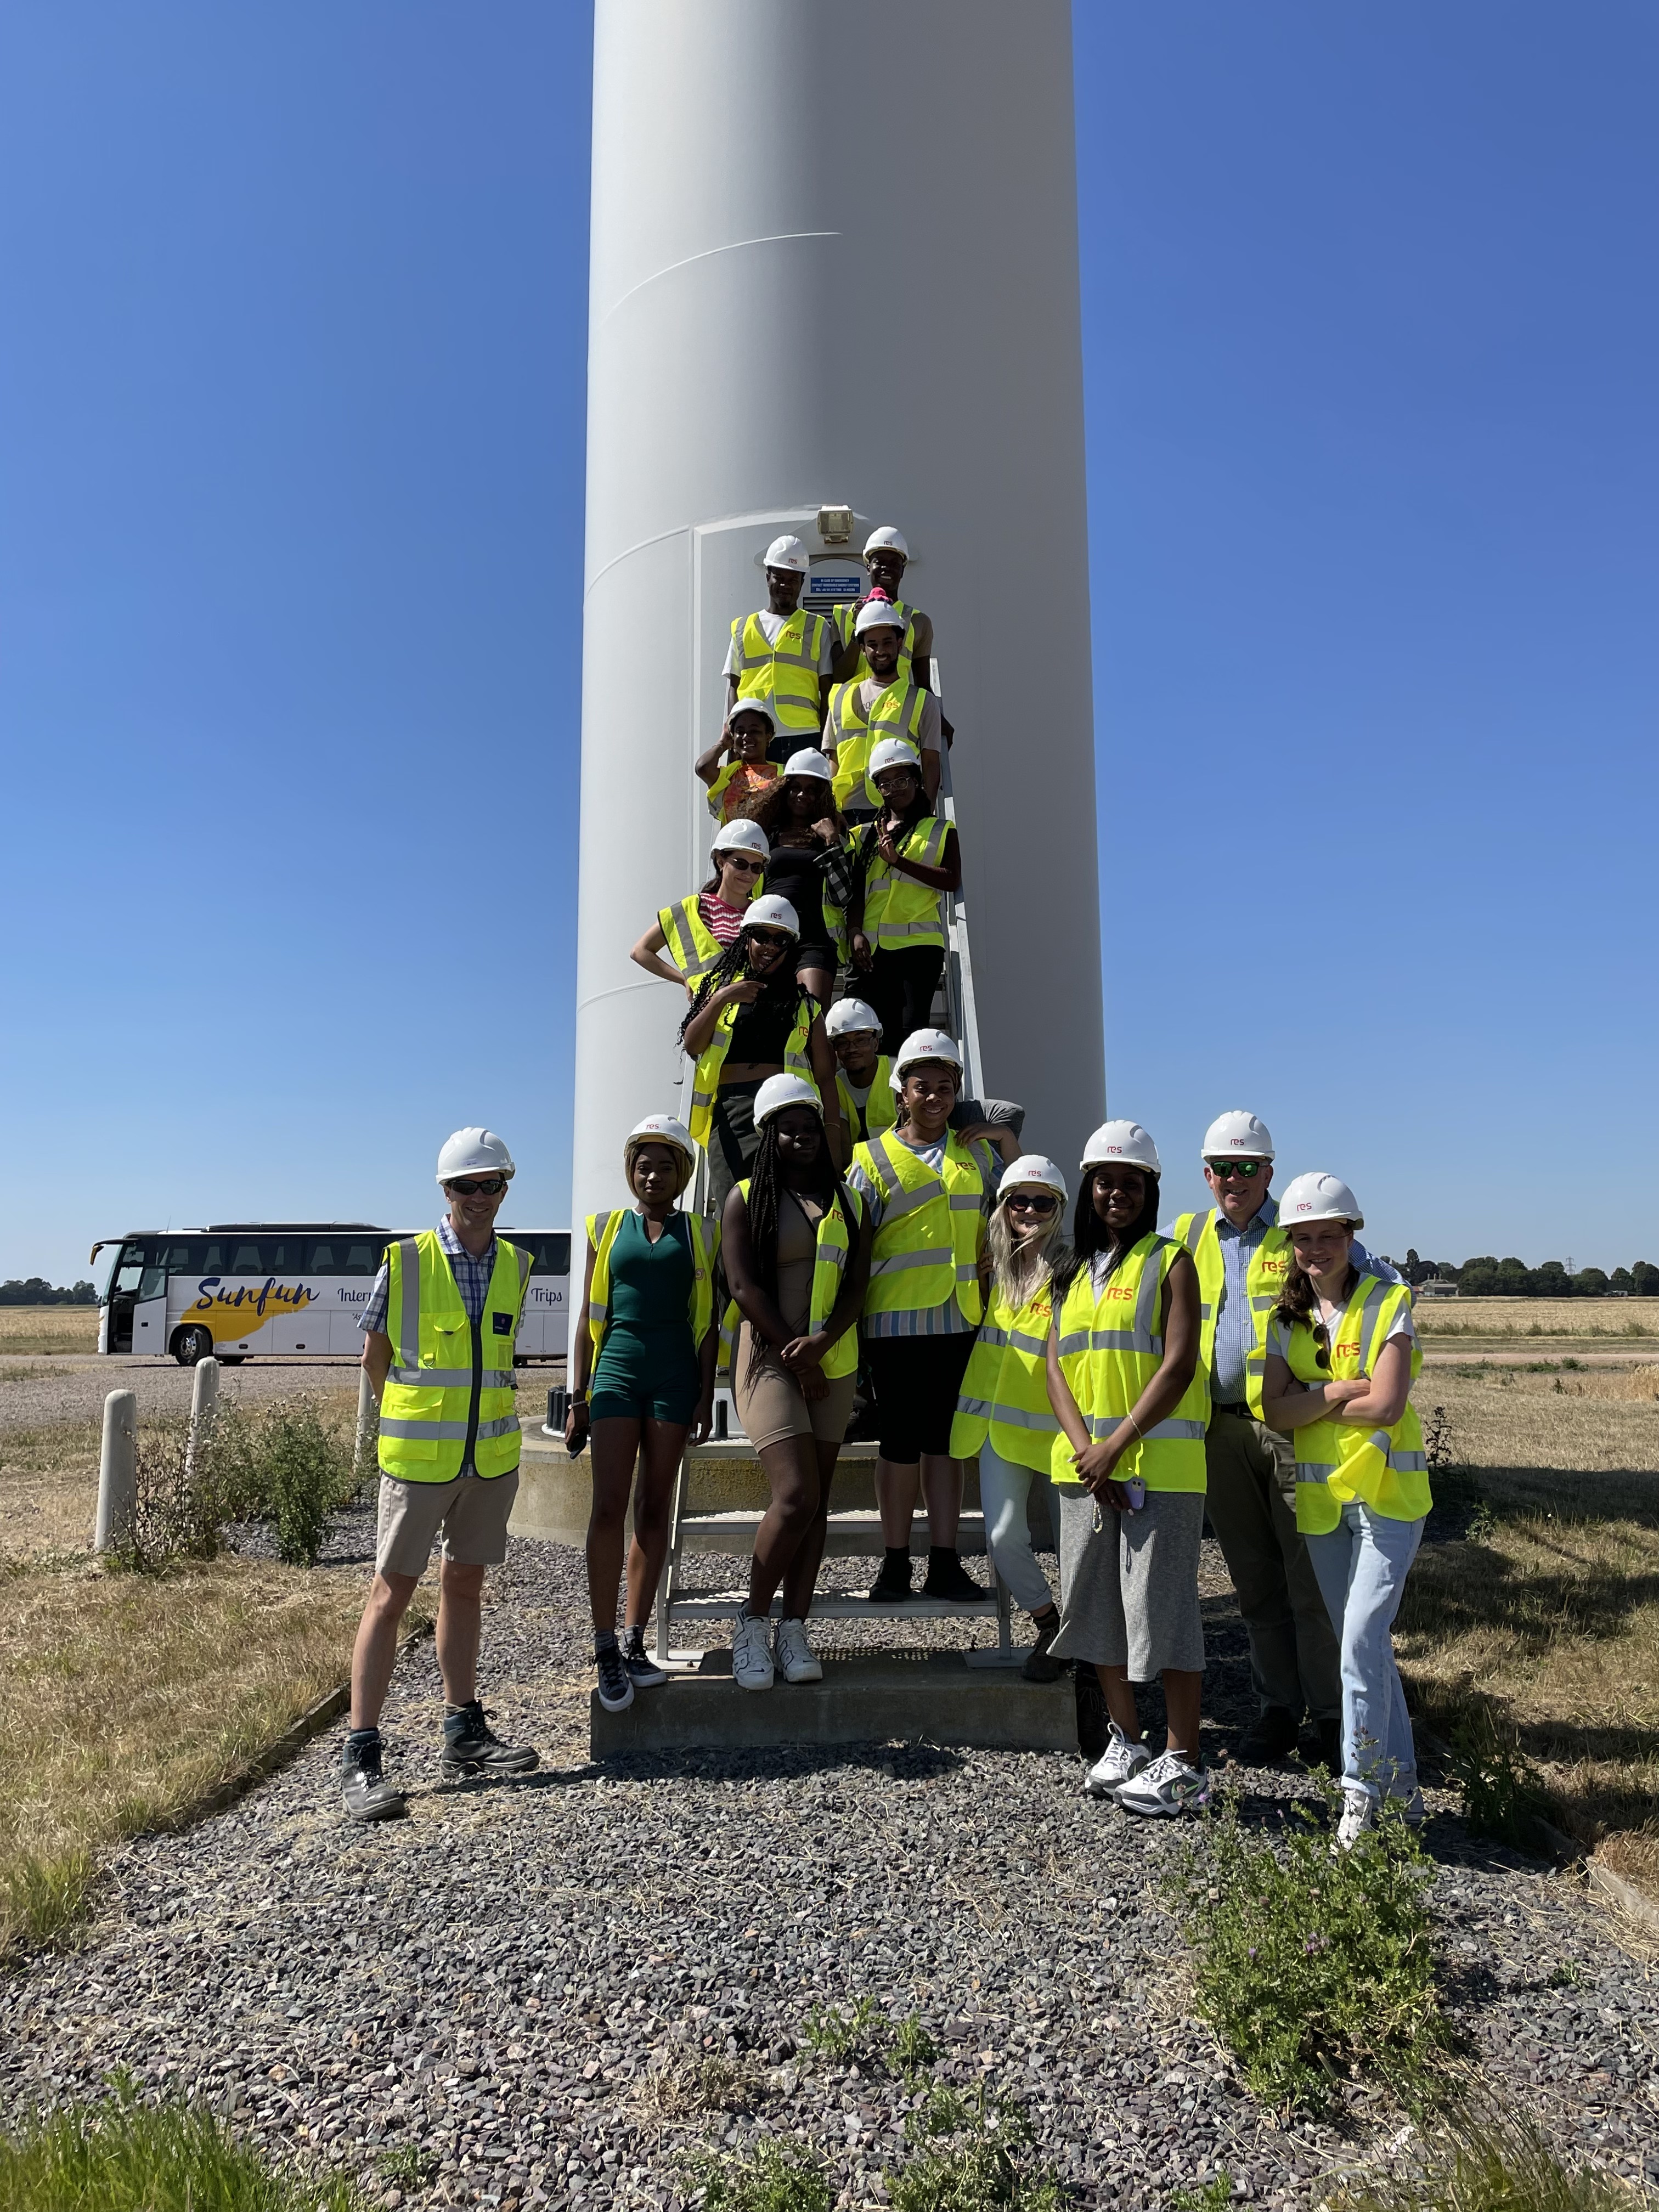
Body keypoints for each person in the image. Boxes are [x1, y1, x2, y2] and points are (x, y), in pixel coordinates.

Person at [1171, 1111, 1401, 1773]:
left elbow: (1384, 1284)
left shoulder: (1302, 1227)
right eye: (1222, 1168)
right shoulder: (1186, 1234)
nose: (1234, 1179)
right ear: (1206, 1175)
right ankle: (1277, 1709)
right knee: (1254, 1584)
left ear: (1269, 1172)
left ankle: (1329, 1718)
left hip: (1292, 1428)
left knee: (1310, 1581)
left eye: (1248, 1167)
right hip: (1216, 1430)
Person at [342, 1128, 539, 1821]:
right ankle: (362, 1757)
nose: (480, 1198)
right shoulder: (405, 1262)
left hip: (487, 1461)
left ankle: (463, 1732)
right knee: (390, 1597)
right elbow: (374, 1355)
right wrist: (411, 1420)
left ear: (506, 1187)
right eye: (466, 1186)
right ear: (445, 1191)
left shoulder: (517, 1264)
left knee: (465, 1586)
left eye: (492, 1185)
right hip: (420, 1462)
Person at [1045, 1121, 1212, 1818]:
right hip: (1086, 1471)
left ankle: (1186, 1763)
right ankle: (1128, 1742)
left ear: (1150, 1191)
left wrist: (1116, 1446)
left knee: (1163, 1611)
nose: (1117, 1193)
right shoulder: (1071, 1270)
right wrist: (1090, 1452)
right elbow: (1055, 1367)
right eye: (1106, 1181)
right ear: (1089, 1187)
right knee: (1097, 1611)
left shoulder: (1170, 1260)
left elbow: (1177, 1366)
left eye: (1131, 1183)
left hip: (1160, 1469)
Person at [1259, 1173, 1430, 1848]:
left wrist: (1312, 1396)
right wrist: (1337, 1388)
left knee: (1359, 1644)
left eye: (1329, 1235)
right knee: (1364, 1649)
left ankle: (1360, 1793)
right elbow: (1275, 1411)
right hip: (1324, 1504)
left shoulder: (1389, 1301)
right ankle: (1406, 1794)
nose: (1316, 1248)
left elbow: (1387, 1405)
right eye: (1304, 1237)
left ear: (1352, 1235)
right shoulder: (1287, 1317)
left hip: (1388, 1499)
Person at [720, 1074, 873, 1690]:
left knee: (818, 1503)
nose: (801, 1137)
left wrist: (825, 1347)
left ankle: (795, 1627)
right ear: (767, 1134)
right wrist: (795, 1352)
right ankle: (752, 1622)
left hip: (832, 1360)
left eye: (810, 1128)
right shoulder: (745, 1196)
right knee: (796, 1495)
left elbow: (860, 1286)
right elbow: (743, 1287)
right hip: (769, 1361)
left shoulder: (850, 1200)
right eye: (788, 1128)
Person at [566, 1116, 719, 1713]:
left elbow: (707, 1324)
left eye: (666, 1165)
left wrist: (705, 1395)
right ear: (631, 1170)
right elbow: (586, 1314)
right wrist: (577, 1395)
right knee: (607, 1505)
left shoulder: (701, 1233)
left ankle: (634, 1640)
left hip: (676, 1372)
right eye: (643, 1164)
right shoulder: (606, 1227)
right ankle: (604, 1644)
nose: (653, 1174)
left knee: (655, 1506)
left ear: (684, 1173)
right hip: (618, 1370)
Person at [847, 1029, 998, 1604]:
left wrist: (1005, 1138)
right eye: (921, 1087)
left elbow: (1012, 1220)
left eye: (944, 1087)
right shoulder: (870, 1159)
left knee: (947, 1445)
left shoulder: (978, 1156)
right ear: (901, 1092)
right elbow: (851, 1250)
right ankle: (893, 1565)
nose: (933, 1097)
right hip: (894, 1327)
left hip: (960, 1322)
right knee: (899, 1446)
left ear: (957, 1090)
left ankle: (943, 1561)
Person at [950, 1155, 1070, 1680]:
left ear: (1060, 1209)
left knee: (1078, 1549)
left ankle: (1090, 1646)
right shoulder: (993, 1267)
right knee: (1003, 1539)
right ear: (1003, 1207)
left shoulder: (1074, 1268)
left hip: (1065, 1432)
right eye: (1018, 1199)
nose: (1029, 1210)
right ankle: (1049, 1624)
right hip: (1001, 1427)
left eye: (1042, 1201)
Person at [680, 895, 844, 1216]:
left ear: (791, 945)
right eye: (762, 936)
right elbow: (692, 1045)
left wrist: (832, 1138)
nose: (769, 946)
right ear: (746, 938)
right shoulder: (717, 988)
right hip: (730, 1113)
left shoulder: (806, 1006)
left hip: (787, 1116)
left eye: (780, 939)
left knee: (785, 1211)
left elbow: (825, 1078)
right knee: (734, 1211)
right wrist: (724, 997)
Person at [847, 740, 960, 1057]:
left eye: (901, 780)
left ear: (917, 781)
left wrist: (899, 861)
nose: (894, 788)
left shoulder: (940, 829)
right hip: (872, 949)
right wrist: (855, 932)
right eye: (885, 783)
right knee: (873, 1035)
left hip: (919, 950)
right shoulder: (865, 835)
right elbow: (856, 890)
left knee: (912, 1033)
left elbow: (951, 880)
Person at [740, 749, 851, 1005]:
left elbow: (843, 896)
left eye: (812, 790)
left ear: (822, 795)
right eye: (795, 788)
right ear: (784, 790)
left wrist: (832, 841)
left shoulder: (833, 837)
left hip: (815, 939)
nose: (802, 795)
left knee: (811, 1017)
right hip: (769, 939)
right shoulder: (766, 835)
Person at [824, 596, 942, 819]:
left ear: (899, 644)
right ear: (862, 648)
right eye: (873, 644)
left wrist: (927, 810)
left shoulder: (921, 700)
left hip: (897, 812)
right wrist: (829, 810)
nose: (881, 651)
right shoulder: (839, 697)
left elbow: (930, 763)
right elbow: (834, 762)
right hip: (845, 814)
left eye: (887, 642)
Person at [631, 817, 770, 996]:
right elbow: (640, 951)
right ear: (721, 862)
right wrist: (683, 979)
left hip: (756, 1014)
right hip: (710, 1015)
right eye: (741, 864)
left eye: (756, 867)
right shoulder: (695, 909)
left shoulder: (761, 913)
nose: (748, 873)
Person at [725, 533, 835, 756]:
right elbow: (733, 688)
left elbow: (827, 691)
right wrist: (731, 738)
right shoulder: (743, 627)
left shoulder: (818, 627)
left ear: (802, 582)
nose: (785, 585)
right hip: (755, 738)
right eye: (779, 577)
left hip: (805, 735)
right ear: (768, 577)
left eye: (793, 579)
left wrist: (827, 745)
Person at [829, 525, 936, 695]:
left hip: (894, 715)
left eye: (894, 564)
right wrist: (859, 628)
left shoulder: (918, 621)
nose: (887, 568)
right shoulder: (842, 615)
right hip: (852, 716)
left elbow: (923, 686)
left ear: (902, 571)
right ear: (868, 568)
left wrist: (937, 721)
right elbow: (838, 677)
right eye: (880, 562)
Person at [697, 697, 781, 823]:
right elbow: (703, 768)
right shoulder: (730, 774)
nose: (746, 737)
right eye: (740, 732)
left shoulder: (784, 773)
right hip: (733, 842)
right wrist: (723, 744)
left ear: (768, 736)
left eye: (754, 731)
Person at [826, 997, 895, 1144]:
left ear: (875, 1043)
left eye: (861, 1040)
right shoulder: (835, 1087)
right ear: (835, 1050)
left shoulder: (898, 1073)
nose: (852, 1049)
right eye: (843, 1043)